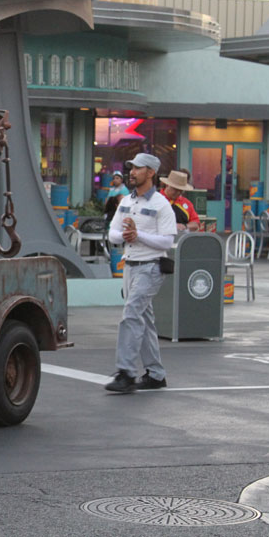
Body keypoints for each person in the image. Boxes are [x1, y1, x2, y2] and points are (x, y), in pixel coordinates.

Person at [105, 152, 177, 393]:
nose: (132, 172)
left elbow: (167, 242)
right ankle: (156, 374)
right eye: (131, 168)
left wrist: (138, 236)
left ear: (151, 173)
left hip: (151, 267)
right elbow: (112, 232)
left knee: (131, 314)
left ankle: (126, 372)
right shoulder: (126, 201)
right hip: (130, 265)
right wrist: (124, 236)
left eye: (138, 168)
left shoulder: (161, 204)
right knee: (143, 319)